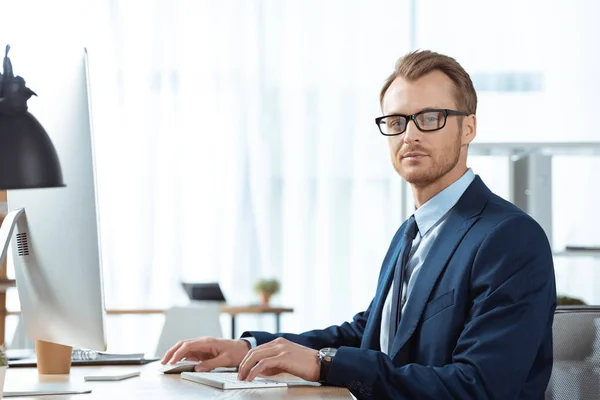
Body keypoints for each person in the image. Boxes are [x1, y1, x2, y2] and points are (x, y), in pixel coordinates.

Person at [161, 50, 556, 400]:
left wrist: (326, 365)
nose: (410, 134)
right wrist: (247, 347)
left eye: (430, 118)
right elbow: (369, 335)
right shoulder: (411, 233)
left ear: (468, 127)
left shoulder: (508, 237)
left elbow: (480, 387)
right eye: (397, 121)